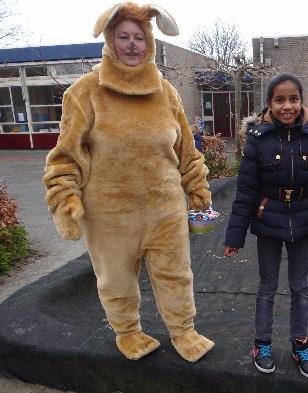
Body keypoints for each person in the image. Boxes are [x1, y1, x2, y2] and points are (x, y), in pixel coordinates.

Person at [42, 2, 214, 363]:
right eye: (124, 37)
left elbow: (186, 148)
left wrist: (197, 188)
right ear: (109, 39)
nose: (133, 44)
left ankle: (184, 330)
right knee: (116, 279)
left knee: (175, 275)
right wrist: (65, 200)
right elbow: (65, 156)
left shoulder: (166, 92)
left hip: (164, 209)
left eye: (139, 37)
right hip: (110, 215)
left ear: (150, 41)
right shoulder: (84, 92)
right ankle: (128, 332)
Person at [224, 73, 308, 378]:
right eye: (279, 100)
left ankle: (299, 344)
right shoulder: (257, 141)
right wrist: (234, 235)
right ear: (269, 104)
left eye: (293, 99)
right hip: (268, 222)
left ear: (301, 101)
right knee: (267, 286)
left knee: (300, 288)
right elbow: (246, 191)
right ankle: (262, 343)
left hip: (303, 221)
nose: (287, 106)